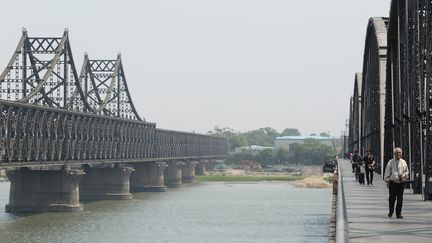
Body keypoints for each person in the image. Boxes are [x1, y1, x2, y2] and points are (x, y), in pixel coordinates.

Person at [384, 147, 409, 219]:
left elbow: (407, 171)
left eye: (400, 153)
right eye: (397, 153)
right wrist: (387, 181)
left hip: (401, 183)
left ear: (401, 154)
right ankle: (391, 211)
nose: (398, 154)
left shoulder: (404, 162)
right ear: (394, 154)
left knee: (400, 199)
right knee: (392, 198)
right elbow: (387, 172)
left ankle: (399, 213)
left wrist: (403, 175)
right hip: (393, 182)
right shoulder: (390, 162)